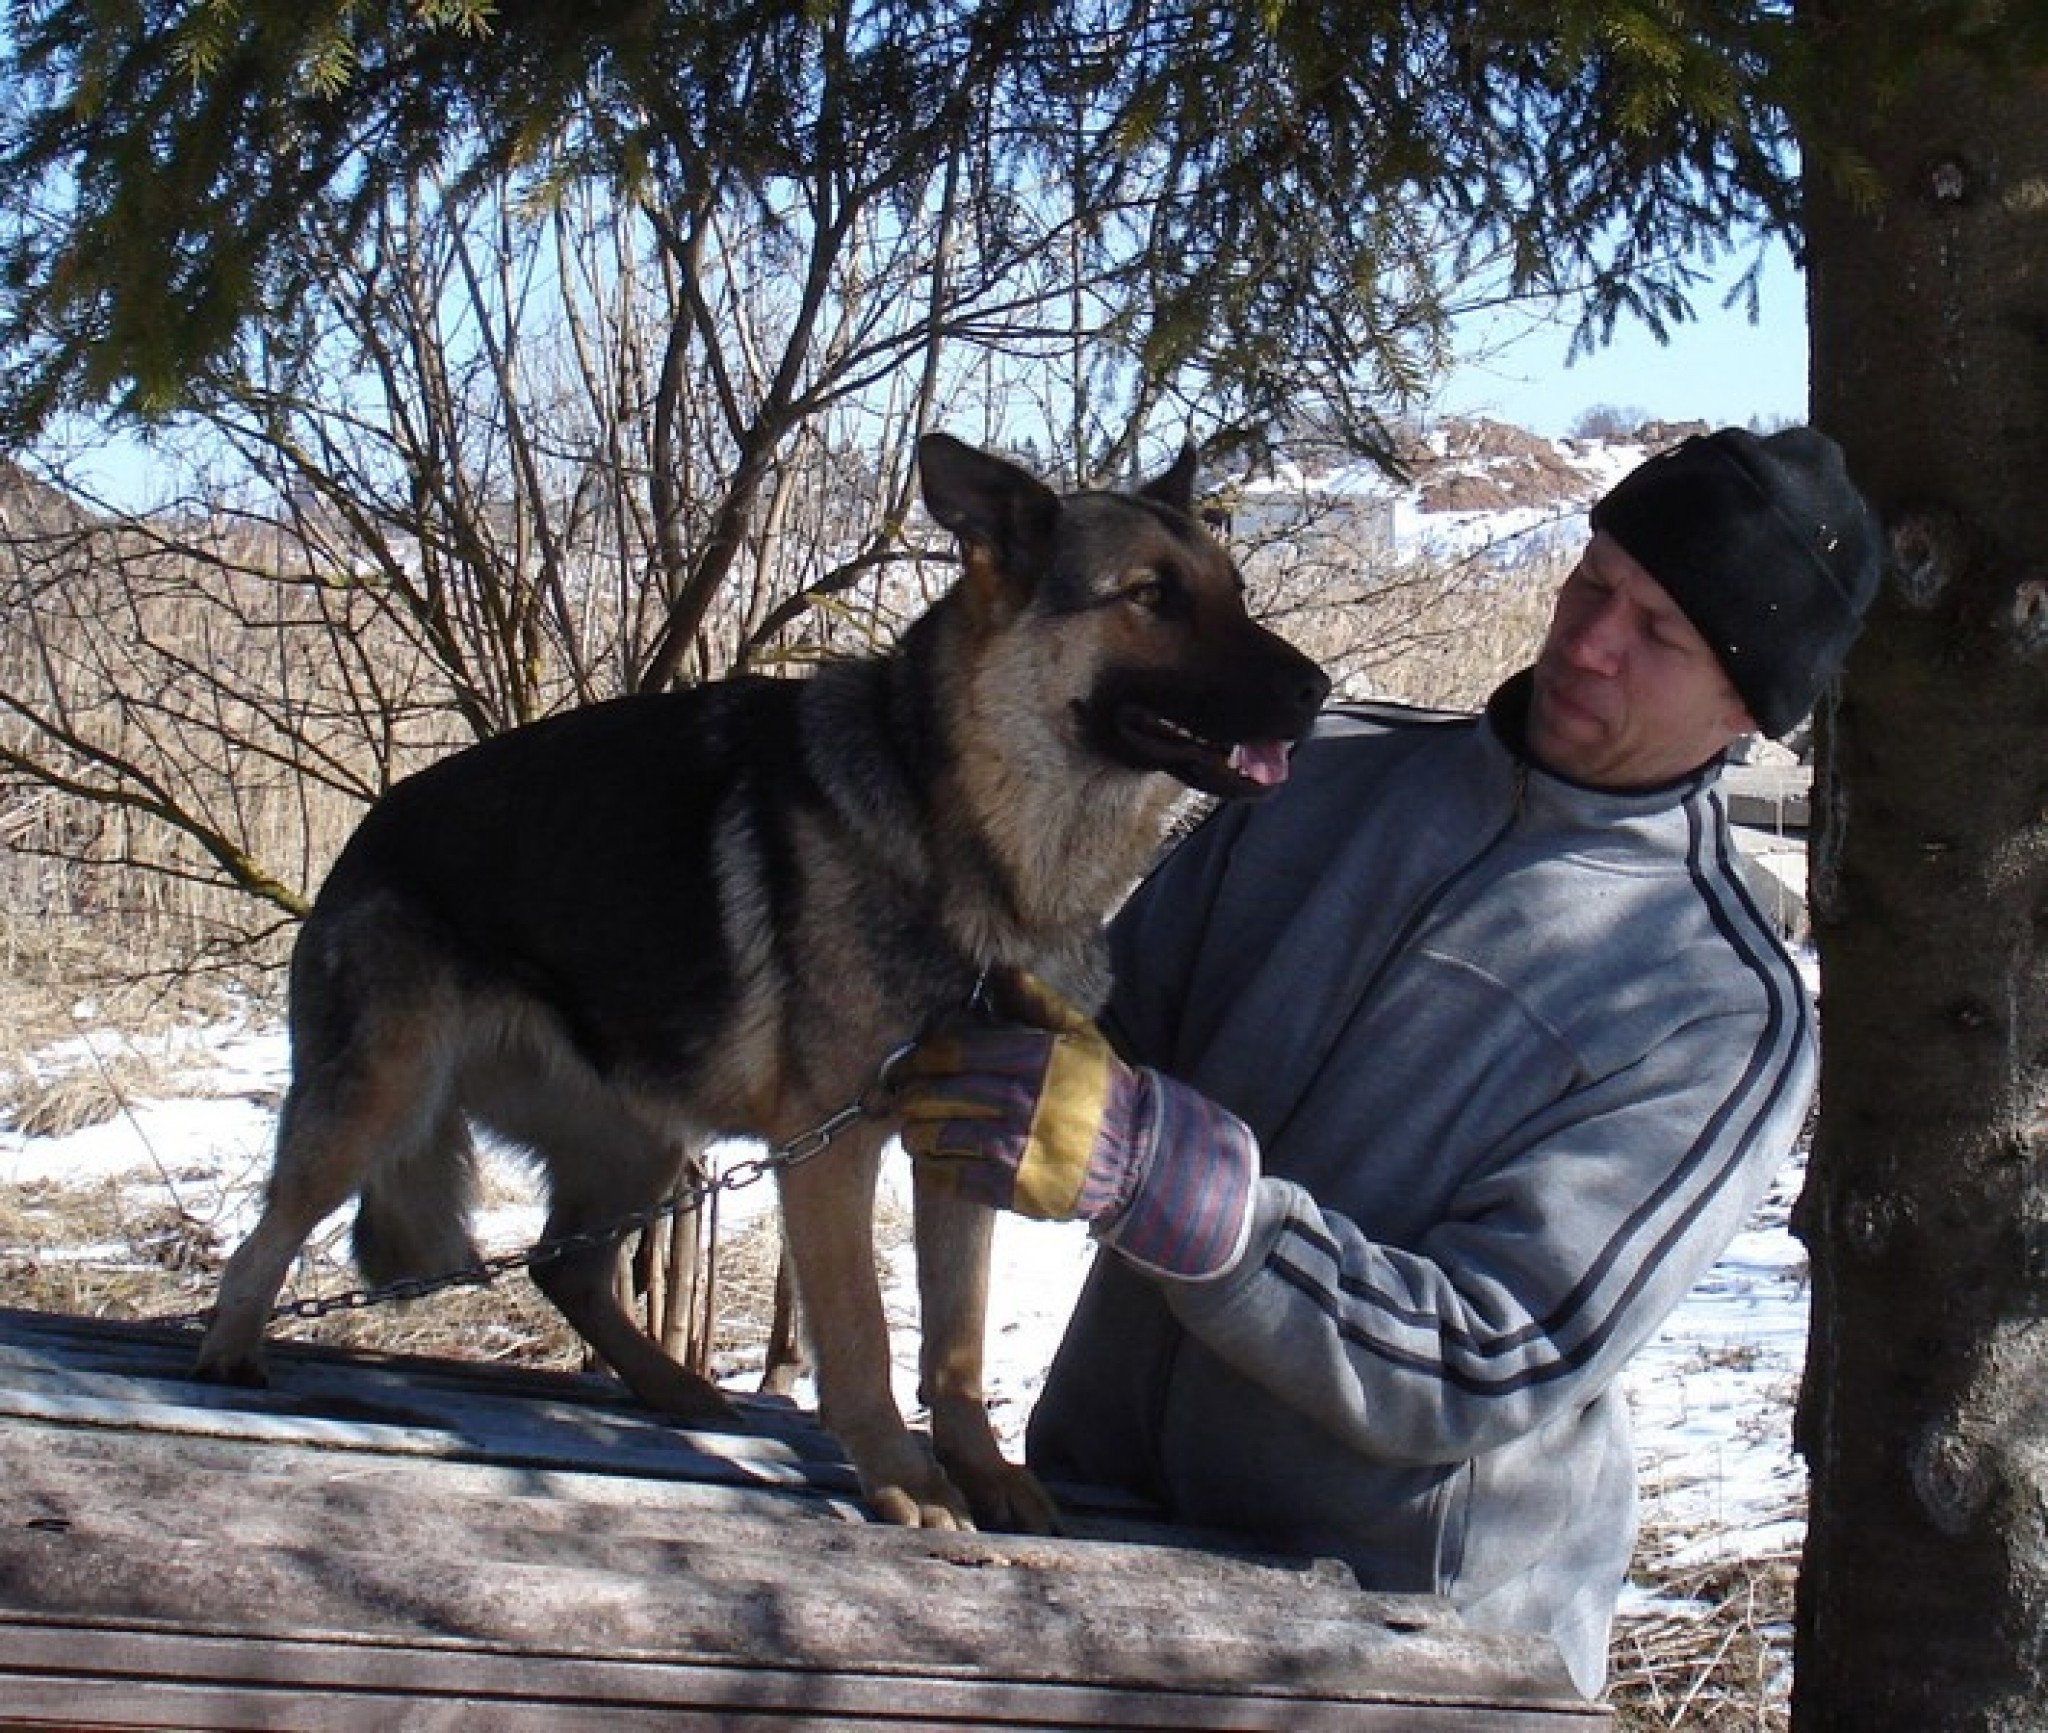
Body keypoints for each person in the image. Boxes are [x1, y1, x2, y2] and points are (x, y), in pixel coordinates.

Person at [895, 426, 1884, 1696]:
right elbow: (1116, 1023)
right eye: (1593, 585)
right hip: (1101, 1526)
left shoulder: (1713, 1001)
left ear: (1746, 702)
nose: (1587, 640)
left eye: (1658, 633)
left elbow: (1496, 1356)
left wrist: (1209, 1213)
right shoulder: (1325, 768)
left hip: (1405, 1643)